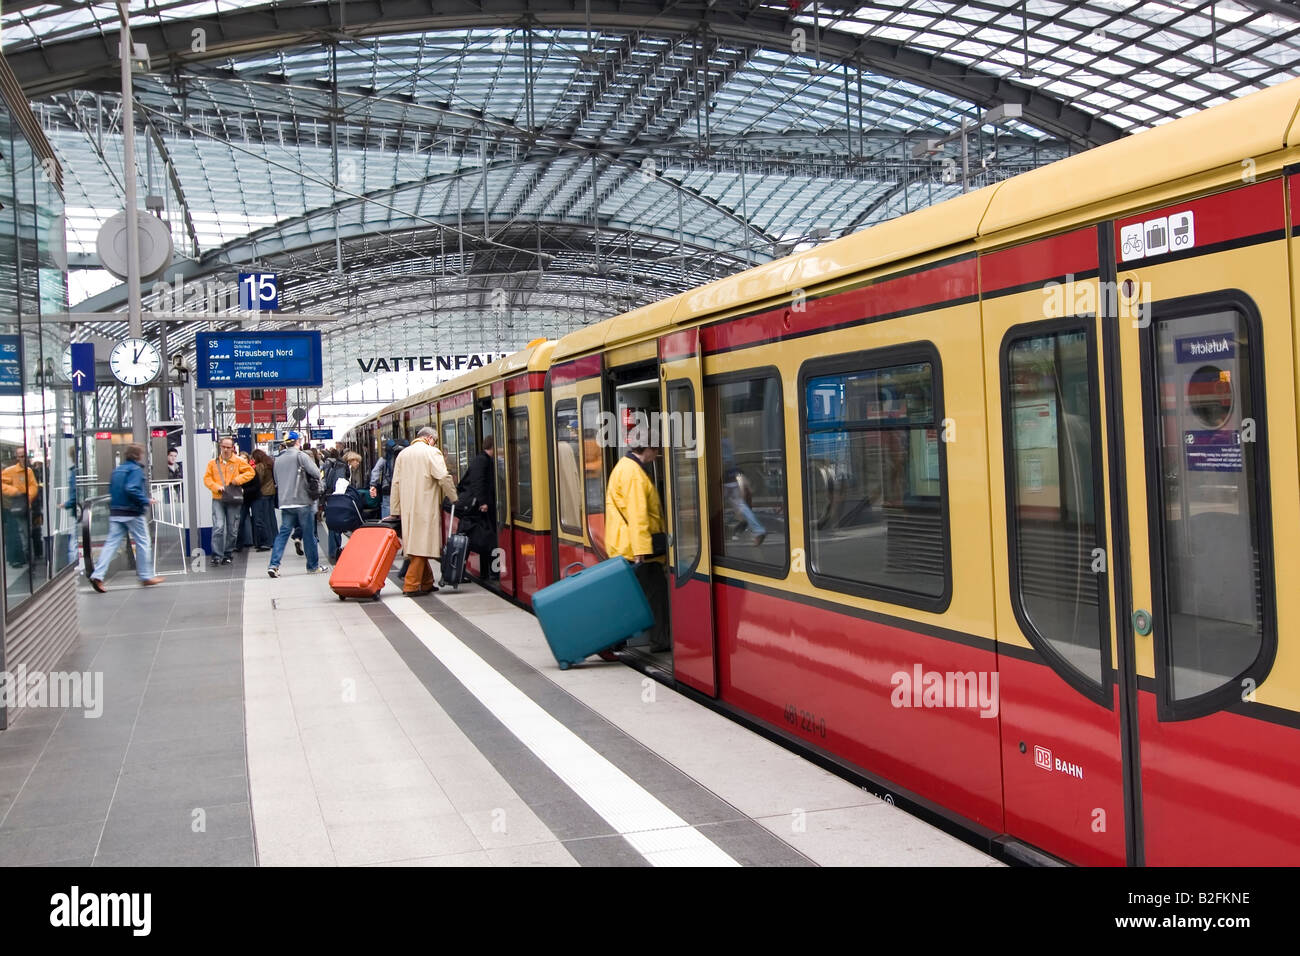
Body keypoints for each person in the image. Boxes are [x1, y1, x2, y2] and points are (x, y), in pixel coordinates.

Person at [605, 443, 669, 652]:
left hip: (626, 544)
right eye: (656, 450)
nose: (657, 455)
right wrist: (642, 549)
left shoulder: (625, 466)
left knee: (633, 596)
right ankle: (660, 641)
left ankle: (615, 640)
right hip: (636, 548)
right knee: (656, 595)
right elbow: (637, 514)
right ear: (646, 449)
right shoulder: (633, 474)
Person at [389, 426, 457, 596]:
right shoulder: (431, 453)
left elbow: (395, 483)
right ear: (429, 438)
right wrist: (454, 497)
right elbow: (443, 476)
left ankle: (427, 582)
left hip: (408, 509)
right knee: (421, 547)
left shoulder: (403, 454)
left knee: (419, 544)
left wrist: (395, 510)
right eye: (436, 440)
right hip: (425, 507)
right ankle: (411, 585)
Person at [89, 444, 163, 591]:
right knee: (143, 542)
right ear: (138, 455)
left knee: (111, 544)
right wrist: (145, 500)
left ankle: (98, 575)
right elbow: (131, 488)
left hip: (116, 511)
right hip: (132, 512)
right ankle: (146, 576)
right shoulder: (135, 470)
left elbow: (113, 489)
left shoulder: (117, 470)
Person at [267, 431, 326, 577]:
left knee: (283, 534)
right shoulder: (301, 456)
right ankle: (312, 566)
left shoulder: (278, 459)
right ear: (297, 442)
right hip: (302, 501)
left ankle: (273, 565)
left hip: (286, 503)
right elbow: (316, 473)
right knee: (308, 535)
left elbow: (276, 480)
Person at [203, 437, 256, 565]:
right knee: (218, 527)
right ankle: (216, 555)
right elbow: (207, 479)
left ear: (233, 448)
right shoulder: (212, 463)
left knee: (232, 528)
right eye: (224, 447)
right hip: (218, 498)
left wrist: (238, 480)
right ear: (220, 447)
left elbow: (251, 472)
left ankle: (228, 553)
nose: (226, 450)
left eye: (228, 447)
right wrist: (216, 487)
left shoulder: (238, 461)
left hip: (233, 499)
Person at [456, 436, 498, 582]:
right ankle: (491, 572)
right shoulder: (482, 461)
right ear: (493, 446)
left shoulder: (484, 460)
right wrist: (483, 502)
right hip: (478, 508)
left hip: (478, 508)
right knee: (488, 538)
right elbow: (477, 482)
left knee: (485, 538)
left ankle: (487, 572)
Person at [722, 436, 766, 546]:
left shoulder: (721, 442)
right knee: (738, 506)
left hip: (728, 479)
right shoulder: (725, 441)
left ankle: (756, 529)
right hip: (730, 479)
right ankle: (748, 527)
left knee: (739, 505)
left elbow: (726, 462)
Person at [2, 448, 38, 568]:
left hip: (26, 505)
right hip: (15, 506)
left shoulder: (29, 471)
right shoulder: (10, 471)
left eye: (24, 456)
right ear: (17, 458)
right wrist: (14, 492)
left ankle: (28, 556)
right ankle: (26, 557)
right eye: (21, 456)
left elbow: (34, 486)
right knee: (22, 532)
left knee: (27, 532)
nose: (23, 458)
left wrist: (28, 496)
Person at [319, 448, 351, 562]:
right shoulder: (343, 465)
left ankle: (333, 551)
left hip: (328, 496)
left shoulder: (325, 465)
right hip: (340, 496)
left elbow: (323, 480)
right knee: (338, 523)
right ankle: (336, 549)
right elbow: (344, 480)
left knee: (332, 524)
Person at [249, 448, 278, 551]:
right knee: (271, 517)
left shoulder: (260, 466)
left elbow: (258, 481)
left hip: (263, 493)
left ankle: (267, 541)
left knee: (263, 518)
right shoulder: (270, 464)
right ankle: (275, 539)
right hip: (271, 492)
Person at [369, 439, 398, 518]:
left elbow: (376, 470)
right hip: (403, 489)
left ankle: (387, 527)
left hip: (388, 488)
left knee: (387, 508)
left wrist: (373, 485)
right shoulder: (405, 457)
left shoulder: (384, 458)